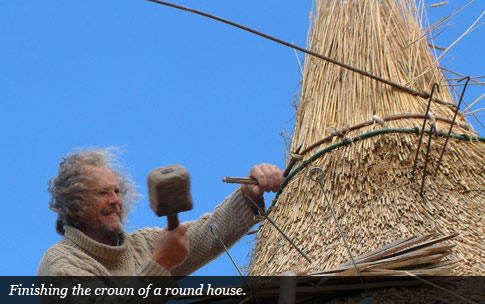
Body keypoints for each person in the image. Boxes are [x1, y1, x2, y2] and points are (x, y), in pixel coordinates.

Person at [38, 148, 284, 277]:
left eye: (117, 191)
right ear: (74, 205)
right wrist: (161, 263)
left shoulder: (141, 245)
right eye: (103, 193)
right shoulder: (62, 263)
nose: (115, 200)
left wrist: (249, 196)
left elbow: (209, 234)